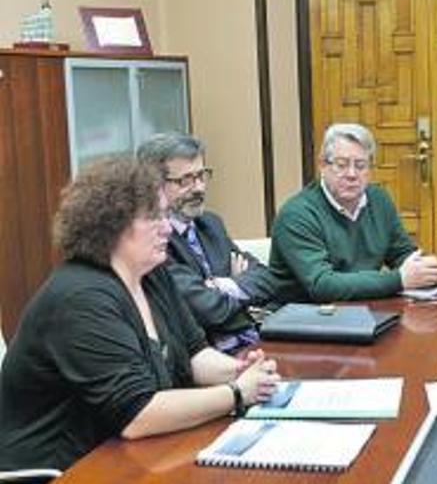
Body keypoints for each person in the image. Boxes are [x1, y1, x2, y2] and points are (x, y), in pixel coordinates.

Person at [0, 158, 279, 471]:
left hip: (129, 454)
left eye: (165, 214)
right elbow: (137, 415)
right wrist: (237, 393)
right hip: (65, 469)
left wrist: (240, 370)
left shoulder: (153, 274)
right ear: (111, 226)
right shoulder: (81, 298)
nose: (166, 227)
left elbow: (194, 354)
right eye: (153, 218)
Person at [270, 123, 437, 303]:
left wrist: (423, 269)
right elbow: (322, 285)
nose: (352, 174)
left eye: (360, 165)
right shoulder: (297, 215)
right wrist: (398, 279)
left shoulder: (378, 200)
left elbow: (401, 252)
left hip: (364, 312)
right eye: (341, 165)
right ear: (323, 166)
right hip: (304, 320)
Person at [137, 133, 278, 353]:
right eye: (186, 180)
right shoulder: (154, 239)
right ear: (154, 185)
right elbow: (206, 309)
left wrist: (223, 285)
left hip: (249, 342)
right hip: (203, 358)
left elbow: (267, 279)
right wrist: (241, 290)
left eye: (201, 175)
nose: (199, 188)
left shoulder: (210, 224)